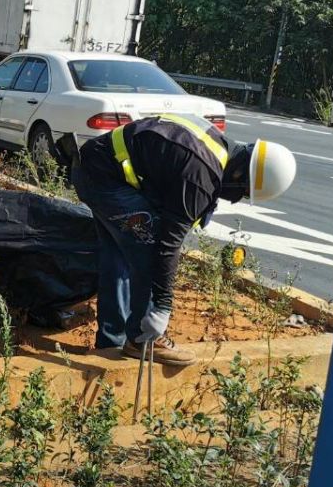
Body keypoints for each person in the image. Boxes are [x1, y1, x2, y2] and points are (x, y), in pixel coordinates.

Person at [71, 114, 297, 365]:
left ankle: (111, 342)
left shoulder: (216, 144)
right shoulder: (202, 176)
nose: (233, 198)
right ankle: (142, 339)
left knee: (118, 257)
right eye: (241, 193)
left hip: (95, 167)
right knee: (148, 244)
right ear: (239, 174)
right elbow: (167, 246)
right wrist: (162, 307)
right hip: (104, 179)